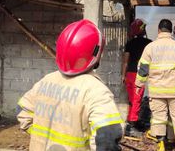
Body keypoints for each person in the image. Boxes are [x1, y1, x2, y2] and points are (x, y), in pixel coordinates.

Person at [17, 19, 124, 151]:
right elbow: (108, 138)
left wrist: (45, 138)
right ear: (96, 53)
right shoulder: (96, 90)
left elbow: (23, 112)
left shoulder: (46, 81)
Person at [135, 19, 175, 151]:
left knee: (159, 118)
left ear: (158, 30)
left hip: (157, 92)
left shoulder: (150, 47)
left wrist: (138, 84)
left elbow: (143, 68)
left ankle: (161, 145)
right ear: (171, 31)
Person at [121, 19, 152, 137]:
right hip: (139, 75)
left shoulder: (129, 43)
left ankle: (132, 121)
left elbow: (125, 62)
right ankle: (132, 125)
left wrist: (123, 75)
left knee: (131, 99)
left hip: (129, 74)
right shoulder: (149, 43)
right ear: (143, 29)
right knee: (137, 99)